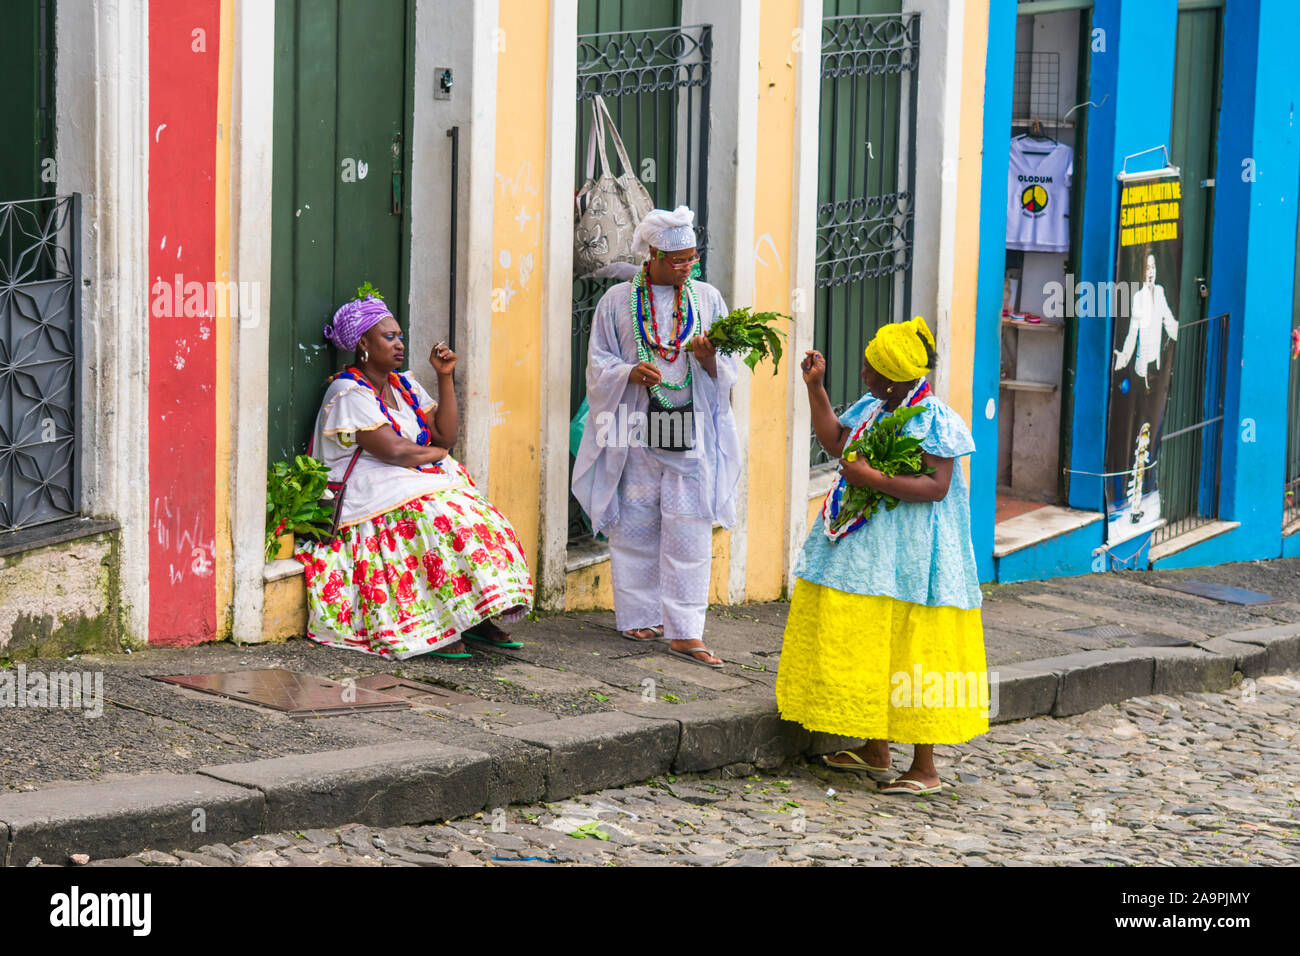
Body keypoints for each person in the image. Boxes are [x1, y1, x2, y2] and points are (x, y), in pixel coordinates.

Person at [775, 316, 988, 794]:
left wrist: (870, 478)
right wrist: (816, 389)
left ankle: (925, 768)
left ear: (893, 378)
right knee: (875, 635)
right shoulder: (874, 407)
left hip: (917, 558)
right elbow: (836, 442)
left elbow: (936, 487)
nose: (864, 374)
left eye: (870, 369)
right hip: (873, 553)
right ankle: (875, 748)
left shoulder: (933, 420)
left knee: (915, 644)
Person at [298, 292, 534, 659]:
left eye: (400, 336)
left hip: (409, 477)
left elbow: (446, 435)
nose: (399, 344)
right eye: (388, 337)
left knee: (473, 514)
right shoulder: (346, 391)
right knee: (434, 518)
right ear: (363, 343)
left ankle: (476, 615)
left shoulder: (403, 384)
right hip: (368, 488)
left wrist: (445, 377)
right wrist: (437, 456)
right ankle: (437, 624)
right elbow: (392, 450)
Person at [571, 205, 741, 668]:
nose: (689, 267)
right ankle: (637, 616)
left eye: (693, 258)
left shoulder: (707, 300)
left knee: (688, 527)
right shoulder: (617, 302)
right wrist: (629, 373)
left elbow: (730, 369)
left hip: (689, 427)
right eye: (680, 259)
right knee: (635, 524)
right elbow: (598, 363)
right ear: (654, 256)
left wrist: (708, 361)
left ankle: (686, 631)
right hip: (634, 426)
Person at [1114, 253, 1178, 388]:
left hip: (1157, 362)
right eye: (1147, 268)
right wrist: (1124, 357)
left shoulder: (1160, 291)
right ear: (1142, 272)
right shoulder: (1138, 297)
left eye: (1153, 267)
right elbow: (1132, 333)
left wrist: (1180, 334)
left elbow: (1169, 320)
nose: (1151, 272)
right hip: (1143, 366)